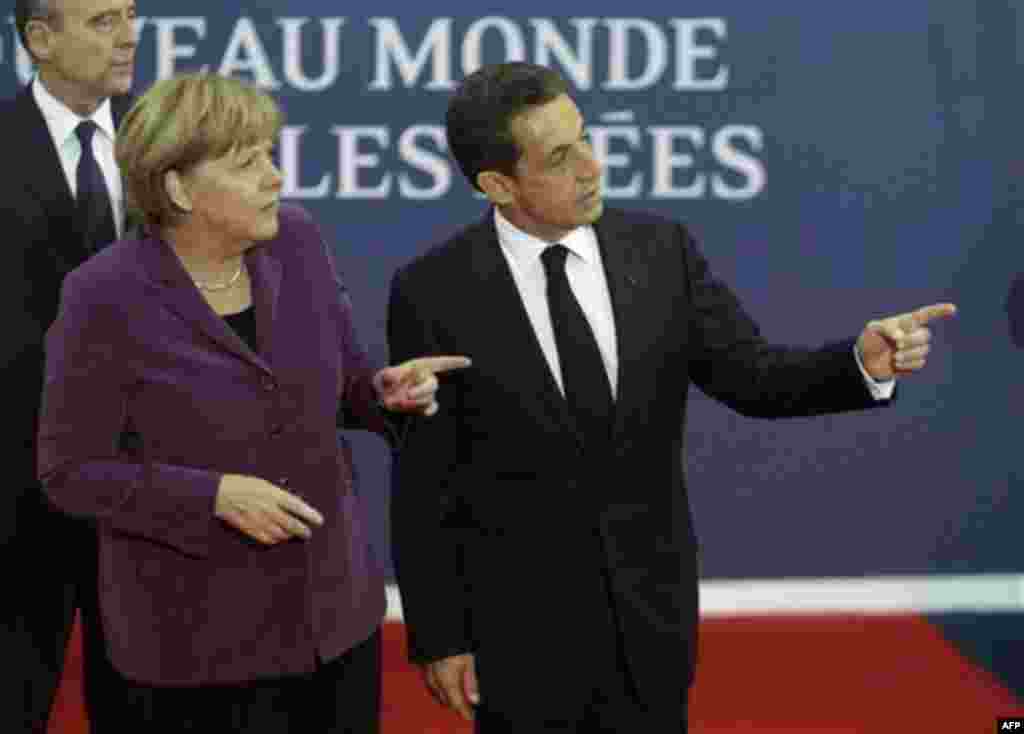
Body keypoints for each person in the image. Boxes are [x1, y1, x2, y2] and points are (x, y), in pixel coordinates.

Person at [386, 61, 956, 733]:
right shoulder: (433, 291)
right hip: (517, 638)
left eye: (588, 139)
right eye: (561, 157)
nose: (592, 167)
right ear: (496, 183)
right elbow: (426, 480)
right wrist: (440, 636)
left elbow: (756, 376)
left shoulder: (660, 251)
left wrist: (859, 362)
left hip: (650, 622)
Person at [36, 72, 468, 733]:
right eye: (249, 163)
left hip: (333, 625)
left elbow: (349, 385)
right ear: (178, 188)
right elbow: (70, 472)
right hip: (197, 651)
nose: (274, 177)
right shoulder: (101, 295)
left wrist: (386, 394)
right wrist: (211, 496)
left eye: (270, 154)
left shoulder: (296, 242)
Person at [2, 1, 137, 731]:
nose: (128, 36)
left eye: (130, 15)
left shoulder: (165, 141)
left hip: (148, 487)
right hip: (15, 489)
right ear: (40, 40)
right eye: (102, 21)